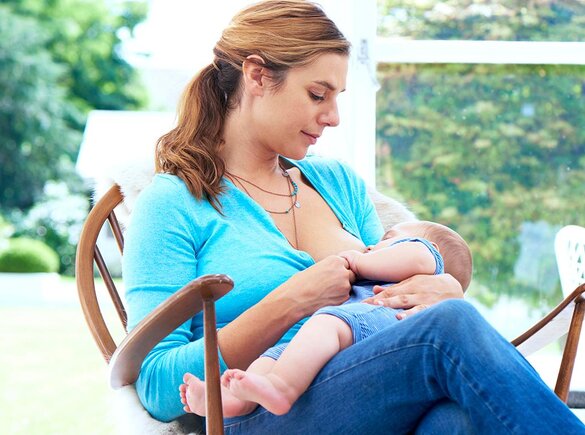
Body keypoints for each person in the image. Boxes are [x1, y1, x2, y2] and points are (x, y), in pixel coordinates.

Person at [122, 0, 585, 433]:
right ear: (257, 76)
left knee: (455, 421)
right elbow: (158, 387)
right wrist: (291, 301)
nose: (334, 117)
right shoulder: (172, 204)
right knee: (449, 331)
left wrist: (441, 289)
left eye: (338, 97)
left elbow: (379, 306)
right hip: (256, 410)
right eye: (318, 94)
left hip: (360, 394)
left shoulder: (338, 183)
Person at [179, 220, 472, 417]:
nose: (371, 246)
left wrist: (358, 260)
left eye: (388, 238)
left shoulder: (424, 251)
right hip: (333, 340)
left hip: (372, 321)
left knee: (325, 323)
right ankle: (232, 399)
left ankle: (281, 388)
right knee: (270, 360)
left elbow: (416, 258)